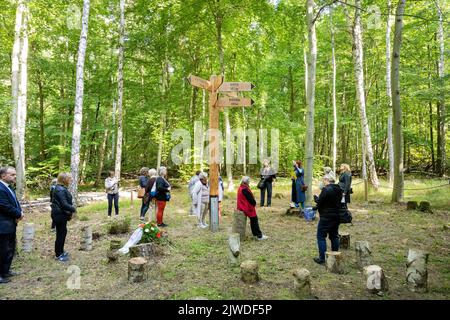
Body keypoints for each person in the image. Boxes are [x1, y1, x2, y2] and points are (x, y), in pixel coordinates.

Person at [0, 167, 24, 284]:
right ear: (3, 176)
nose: (15, 176)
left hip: (10, 223)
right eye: (12, 174)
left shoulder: (9, 187)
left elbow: (15, 203)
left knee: (9, 249)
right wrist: (19, 213)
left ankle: (5, 271)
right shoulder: (0, 188)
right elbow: (4, 206)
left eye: (15, 174)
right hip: (2, 225)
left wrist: (19, 212)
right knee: (2, 250)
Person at [312, 176, 342, 265]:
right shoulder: (338, 189)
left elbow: (320, 202)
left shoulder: (326, 190)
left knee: (321, 236)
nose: (323, 182)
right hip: (336, 215)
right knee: (334, 236)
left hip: (326, 216)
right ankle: (335, 255)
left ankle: (322, 259)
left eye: (323, 180)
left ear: (327, 180)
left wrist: (316, 198)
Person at [51, 172, 76, 262]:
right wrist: (73, 209)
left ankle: (61, 251)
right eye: (69, 178)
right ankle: (58, 254)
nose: (71, 180)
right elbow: (64, 204)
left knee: (62, 233)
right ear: (64, 180)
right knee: (60, 234)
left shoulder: (60, 188)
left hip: (61, 214)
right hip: (59, 215)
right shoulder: (60, 189)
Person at [237, 176, 268, 241]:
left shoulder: (241, 187)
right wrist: (254, 203)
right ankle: (259, 236)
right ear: (246, 183)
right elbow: (251, 200)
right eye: (248, 182)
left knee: (253, 221)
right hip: (247, 208)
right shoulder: (245, 189)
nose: (249, 183)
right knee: (254, 220)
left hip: (243, 207)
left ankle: (255, 235)